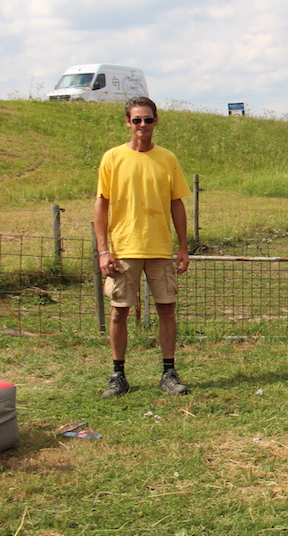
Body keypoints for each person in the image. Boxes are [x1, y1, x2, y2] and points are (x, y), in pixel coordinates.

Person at [93, 97, 190, 399]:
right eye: (137, 120)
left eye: (148, 119)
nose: (143, 125)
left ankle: (169, 373)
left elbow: (177, 203)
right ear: (128, 122)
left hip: (160, 248)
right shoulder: (112, 158)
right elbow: (101, 204)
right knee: (118, 312)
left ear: (156, 121)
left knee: (167, 310)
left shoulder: (167, 158)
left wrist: (183, 246)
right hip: (124, 249)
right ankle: (118, 375)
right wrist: (103, 250)